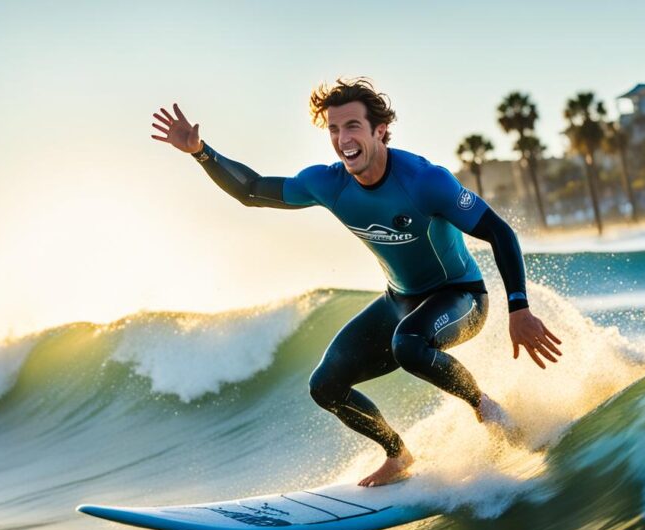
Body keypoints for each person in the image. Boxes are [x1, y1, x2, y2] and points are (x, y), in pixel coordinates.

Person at [151, 78, 562, 487]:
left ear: (379, 130)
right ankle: (398, 455)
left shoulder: (425, 181)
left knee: (409, 344)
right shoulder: (328, 183)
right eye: (333, 128)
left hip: (461, 298)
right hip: (399, 301)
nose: (342, 138)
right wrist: (201, 153)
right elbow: (253, 191)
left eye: (352, 127)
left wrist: (519, 308)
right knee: (324, 386)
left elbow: (500, 232)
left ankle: (484, 407)